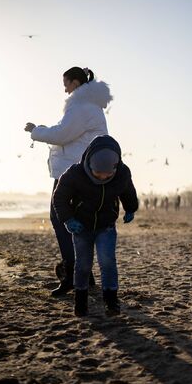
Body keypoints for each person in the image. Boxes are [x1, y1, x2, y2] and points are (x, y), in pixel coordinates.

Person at [24, 67, 112, 296]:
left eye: (66, 83)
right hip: (82, 169)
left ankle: (73, 274)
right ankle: (85, 275)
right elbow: (68, 133)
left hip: (73, 171)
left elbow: (62, 134)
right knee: (75, 221)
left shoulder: (81, 106)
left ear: (75, 82)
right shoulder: (89, 106)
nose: (64, 89)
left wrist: (36, 130)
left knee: (60, 216)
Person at [53, 135, 138, 317]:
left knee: (107, 263)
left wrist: (131, 208)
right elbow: (59, 197)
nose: (102, 177)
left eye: (107, 174)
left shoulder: (122, 173)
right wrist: (68, 219)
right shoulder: (74, 173)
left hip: (106, 226)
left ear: (115, 167)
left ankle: (111, 302)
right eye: (97, 172)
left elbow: (128, 191)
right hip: (81, 227)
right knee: (83, 265)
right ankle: (80, 302)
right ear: (89, 163)